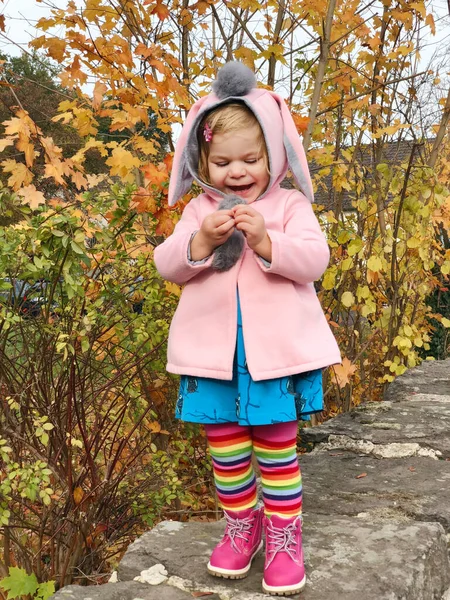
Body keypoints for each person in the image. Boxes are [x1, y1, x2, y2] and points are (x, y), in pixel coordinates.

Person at [154, 61, 341, 596]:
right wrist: (200, 243)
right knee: (227, 446)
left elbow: (314, 261)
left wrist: (266, 242)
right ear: (201, 161)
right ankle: (243, 525)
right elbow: (167, 265)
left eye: (251, 159)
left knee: (277, 446)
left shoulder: (288, 205)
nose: (237, 172)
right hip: (212, 356)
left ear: (274, 156)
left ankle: (285, 535)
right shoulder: (199, 211)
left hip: (271, 356)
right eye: (222, 161)